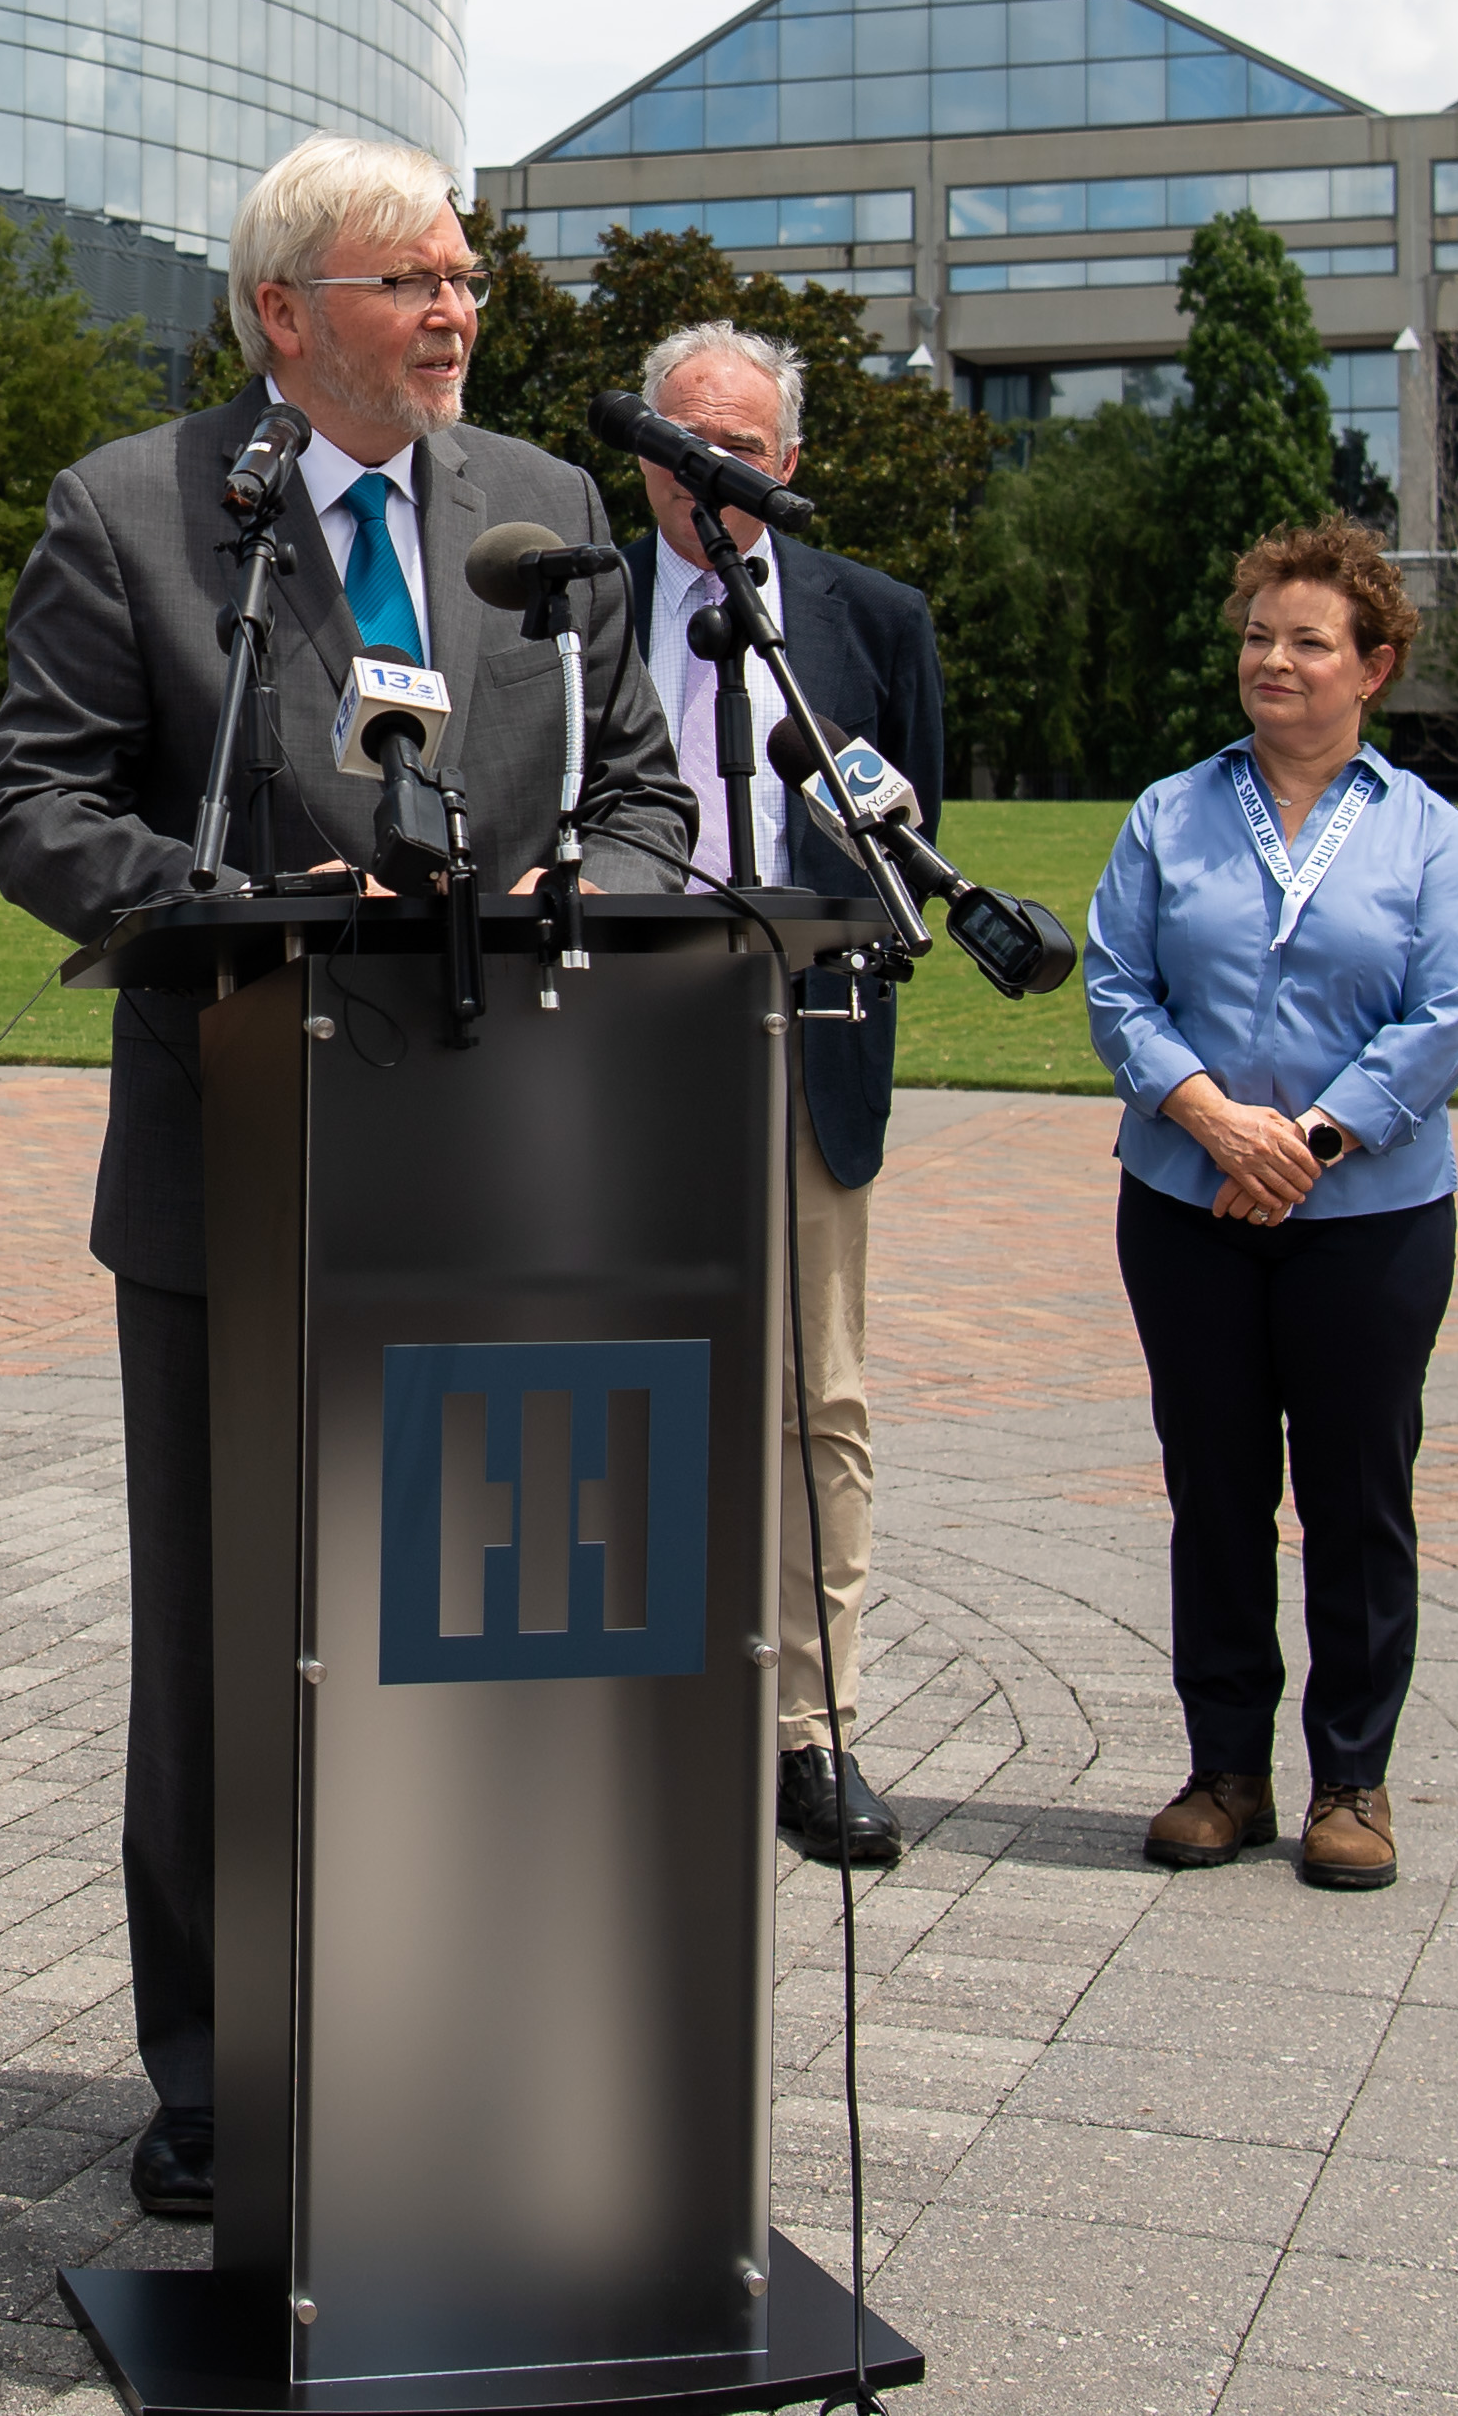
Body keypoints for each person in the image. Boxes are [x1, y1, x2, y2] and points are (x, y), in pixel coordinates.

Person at [0, 134, 697, 2221]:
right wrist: (229, 902)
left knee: (471, 1625)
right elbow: (37, 805)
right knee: (227, 1637)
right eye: (415, 281)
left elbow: (642, 785)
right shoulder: (136, 511)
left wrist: (599, 891)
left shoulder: (553, 514)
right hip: (241, 1158)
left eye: (468, 280)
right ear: (288, 311)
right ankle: (217, 2066)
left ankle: (463, 2022)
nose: (460, 312)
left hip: (519, 1167)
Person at [1082, 519, 1458, 1896]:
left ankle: (1351, 1783)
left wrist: (1307, 1139)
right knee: (1214, 1490)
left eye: (1305, 641)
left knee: (1356, 1497)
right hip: (1185, 1205)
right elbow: (1115, 987)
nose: (1272, 659)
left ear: (1369, 666)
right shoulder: (1169, 814)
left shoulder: (1422, 834)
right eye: (1257, 634)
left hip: (1366, 1220)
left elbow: (1445, 1014)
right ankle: (1223, 1772)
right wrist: (1206, 1116)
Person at [613, 320, 955, 1874]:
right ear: (642, 455)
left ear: (789, 467)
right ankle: (633, 1701)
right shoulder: (573, 605)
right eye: (683, 445)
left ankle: (809, 1732)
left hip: (806, 1042)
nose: (709, 477)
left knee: (815, 1397)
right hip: (609, 1050)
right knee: (622, 1382)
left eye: (739, 451)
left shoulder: (871, 620)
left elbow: (904, 849)